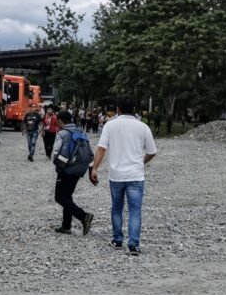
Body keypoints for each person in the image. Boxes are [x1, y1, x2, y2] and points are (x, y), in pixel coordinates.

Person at [90, 98, 157, 256]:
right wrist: (141, 162)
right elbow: (152, 151)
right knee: (135, 210)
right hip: (135, 175)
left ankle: (117, 239)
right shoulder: (143, 127)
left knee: (117, 208)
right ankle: (133, 244)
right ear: (133, 109)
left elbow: (101, 149)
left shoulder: (110, 125)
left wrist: (95, 168)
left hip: (116, 175)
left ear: (118, 109)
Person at [52, 110, 94, 235]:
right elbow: (90, 152)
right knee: (67, 196)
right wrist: (91, 170)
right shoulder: (81, 131)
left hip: (67, 169)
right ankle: (66, 226)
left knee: (59, 197)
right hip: (80, 168)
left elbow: (56, 152)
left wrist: (59, 167)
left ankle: (83, 216)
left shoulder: (63, 133)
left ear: (60, 121)